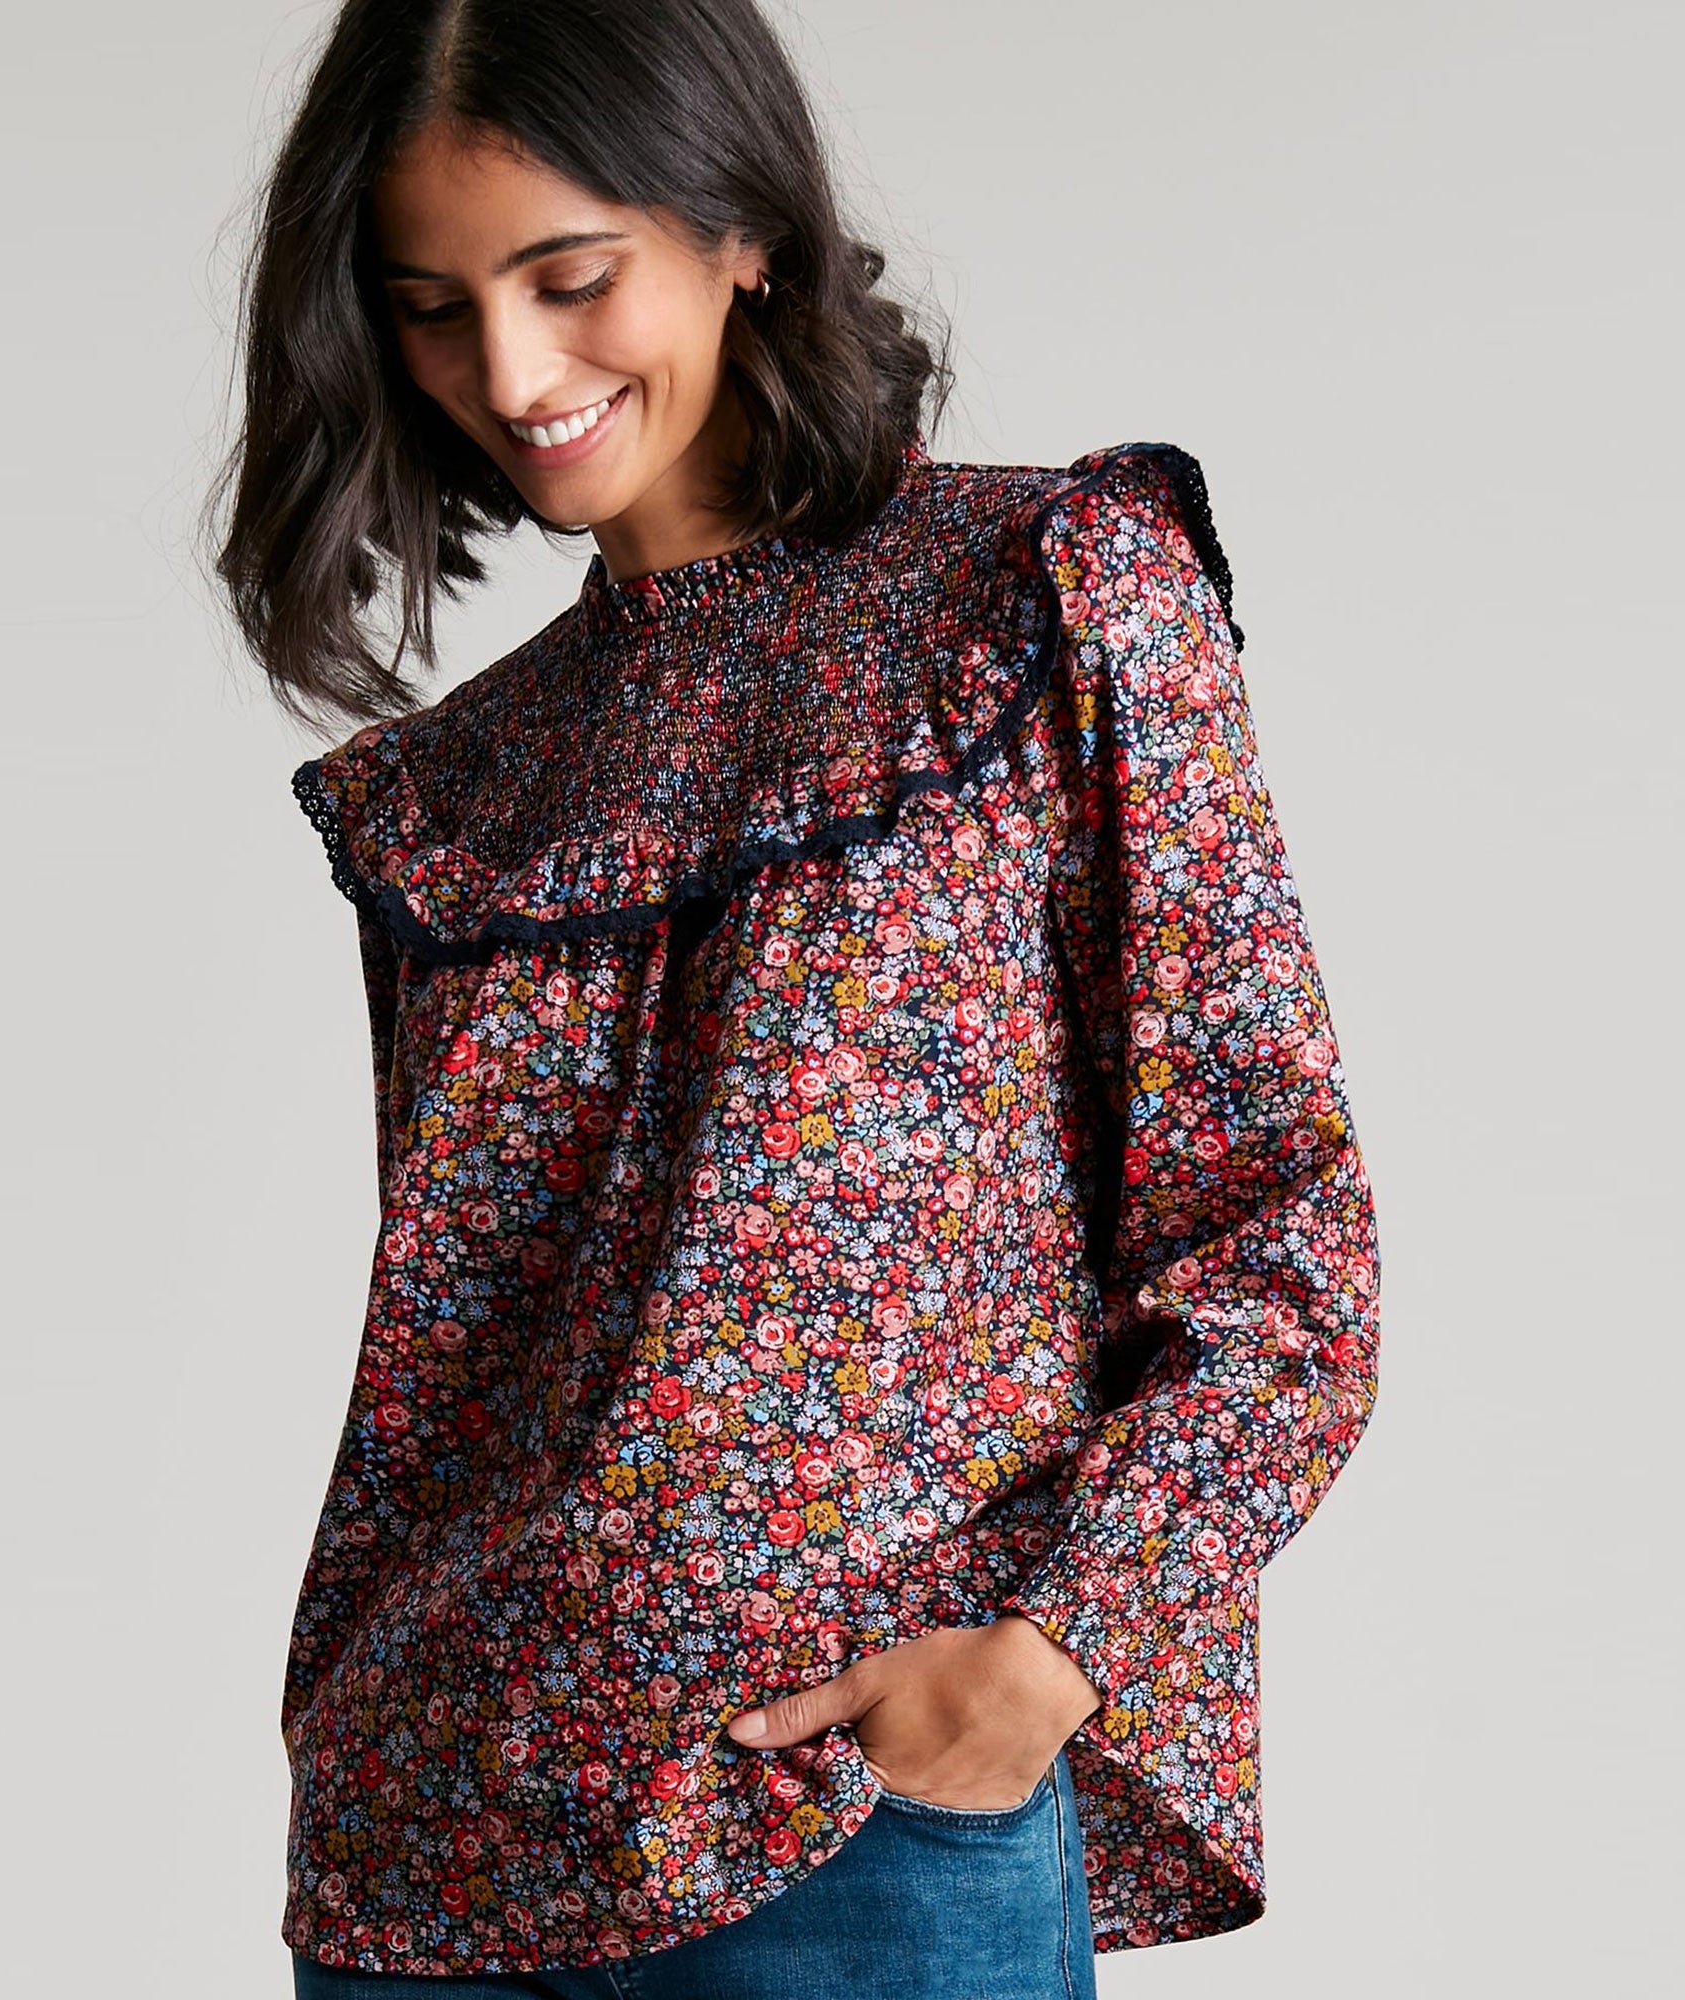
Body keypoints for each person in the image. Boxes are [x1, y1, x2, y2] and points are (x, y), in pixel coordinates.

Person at [209, 2, 1382, 1994]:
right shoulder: (450, 795)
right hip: (432, 1842)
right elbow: (473, 1369)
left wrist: (1054, 1648)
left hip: (839, 1825)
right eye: (430, 309)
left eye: (569, 278)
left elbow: (1277, 1233)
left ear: (740, 227)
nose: (513, 373)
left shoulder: (1042, 592)